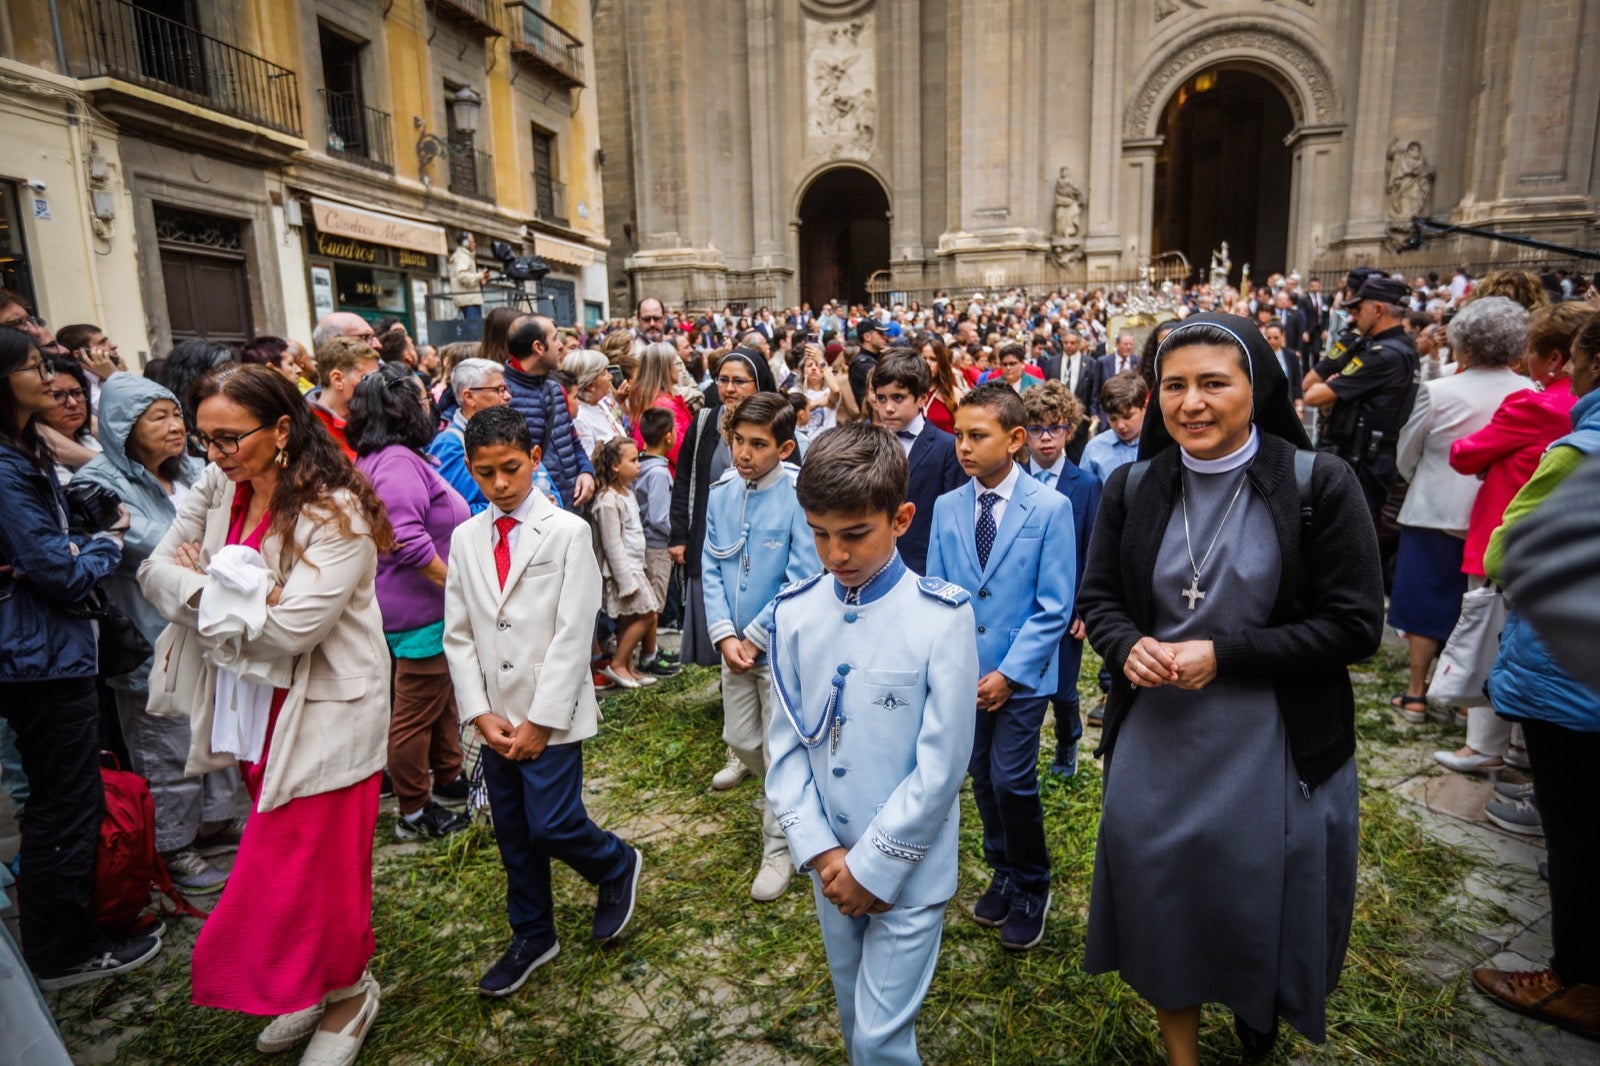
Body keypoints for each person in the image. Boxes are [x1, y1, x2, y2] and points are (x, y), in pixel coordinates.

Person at [1079, 312, 1384, 1064]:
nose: (1192, 403)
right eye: (1174, 386)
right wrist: (1128, 648)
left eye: (1214, 382)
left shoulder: (1322, 484)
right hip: (1160, 734)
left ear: (1258, 387)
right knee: (1160, 893)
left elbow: (1355, 628)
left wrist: (1229, 655)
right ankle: (1181, 1054)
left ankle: (1258, 1028)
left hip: (1276, 738)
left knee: (1257, 899)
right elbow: (1101, 601)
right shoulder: (1132, 486)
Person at [138, 364, 392, 1061]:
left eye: (228, 439)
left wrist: (204, 579)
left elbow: (292, 631)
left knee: (311, 862)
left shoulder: (334, 511)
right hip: (249, 704)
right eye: (205, 439)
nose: (213, 455)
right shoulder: (220, 483)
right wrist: (231, 591)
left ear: (282, 429)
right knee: (292, 856)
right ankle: (319, 982)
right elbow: (152, 573)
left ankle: (347, 994)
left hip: (326, 705)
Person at [766, 423, 978, 1065]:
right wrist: (822, 851)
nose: (835, 554)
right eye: (819, 533)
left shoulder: (942, 617)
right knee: (851, 1010)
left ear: (902, 517)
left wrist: (873, 866)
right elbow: (786, 753)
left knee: (883, 1039)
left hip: (907, 870)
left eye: (855, 534)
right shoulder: (795, 614)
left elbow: (941, 767)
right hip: (830, 864)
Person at [442, 406, 641, 997]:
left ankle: (613, 863)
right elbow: (459, 633)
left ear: (534, 458)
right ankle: (533, 932)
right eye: (484, 474)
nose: (500, 485)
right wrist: (478, 712)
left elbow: (574, 632)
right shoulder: (465, 537)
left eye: (510, 469)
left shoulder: (567, 531)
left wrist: (541, 721)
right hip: (494, 716)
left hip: (548, 712)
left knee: (551, 823)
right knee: (513, 830)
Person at [0, 325, 162, 990]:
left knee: (67, 796)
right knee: (61, 802)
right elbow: (57, 572)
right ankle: (64, 950)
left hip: (53, 648)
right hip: (37, 656)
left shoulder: (26, 451)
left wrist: (75, 532)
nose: (49, 380)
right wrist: (103, 538)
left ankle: (74, 931)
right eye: (34, 368)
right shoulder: (7, 468)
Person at [1472, 309, 1600, 1038]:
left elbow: (1508, 556)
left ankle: (1576, 977)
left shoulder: (1580, 450)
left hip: (1574, 673)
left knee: (1577, 830)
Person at [72, 373, 237, 892]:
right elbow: (148, 545)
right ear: (124, 426)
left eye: (174, 415)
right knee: (165, 748)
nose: (174, 427)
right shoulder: (95, 483)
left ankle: (214, 823)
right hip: (150, 640)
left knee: (212, 735)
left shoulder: (188, 470)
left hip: (208, 629)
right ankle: (172, 846)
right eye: (158, 417)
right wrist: (200, 548)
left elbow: (223, 527)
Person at [925, 382, 1074, 952]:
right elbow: (938, 591)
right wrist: (953, 666)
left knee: (1013, 779)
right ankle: (1002, 867)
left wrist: (1010, 674)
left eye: (977, 436)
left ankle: (1034, 882)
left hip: (1021, 675)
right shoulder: (946, 506)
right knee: (980, 777)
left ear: (1014, 440)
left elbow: (1054, 605)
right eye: (959, 435)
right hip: (965, 673)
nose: (963, 446)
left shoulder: (1051, 508)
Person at [1439, 302, 1588, 773]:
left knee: (1494, 638)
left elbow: (1465, 453)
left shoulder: (1535, 402)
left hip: (1509, 531)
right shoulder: (1576, 406)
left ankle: (1482, 745)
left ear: (1556, 358)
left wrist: (1490, 460)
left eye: (1533, 353)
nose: (1526, 362)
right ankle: (1524, 747)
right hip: (1567, 547)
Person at [1386, 297, 1531, 725]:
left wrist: (1425, 479)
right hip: (1500, 515)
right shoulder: (1528, 392)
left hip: (1434, 509)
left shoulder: (1438, 390)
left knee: (1424, 603)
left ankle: (1416, 695)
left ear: (1464, 343)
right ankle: (1469, 699)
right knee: (1481, 608)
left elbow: (1405, 454)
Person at [702, 392, 821, 901]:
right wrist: (725, 633)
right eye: (738, 441)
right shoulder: (722, 493)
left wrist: (754, 636)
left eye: (758, 444)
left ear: (785, 447)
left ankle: (779, 846)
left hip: (779, 651)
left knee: (777, 747)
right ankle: (789, 793)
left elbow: (802, 576)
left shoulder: (798, 496)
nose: (744, 453)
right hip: (735, 650)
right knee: (742, 738)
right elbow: (711, 567)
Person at [348, 364, 473, 840]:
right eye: (424, 399)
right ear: (404, 410)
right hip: (421, 611)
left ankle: (449, 775)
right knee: (414, 715)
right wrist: (463, 588)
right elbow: (407, 540)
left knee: (440, 704)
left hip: (416, 608)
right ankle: (415, 812)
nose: (431, 405)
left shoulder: (385, 457)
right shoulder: (397, 462)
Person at [670, 348, 774, 683]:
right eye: (723, 380)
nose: (728, 388)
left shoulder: (775, 423)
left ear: (757, 385)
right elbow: (685, 477)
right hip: (712, 533)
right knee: (717, 601)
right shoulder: (704, 421)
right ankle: (728, 676)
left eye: (739, 381)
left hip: (760, 537)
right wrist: (679, 534)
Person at [1021, 380, 1100, 778]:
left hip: (1066, 606)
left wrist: (1084, 607)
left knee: (1064, 691)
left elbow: (1091, 550)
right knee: (1024, 684)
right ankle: (1023, 748)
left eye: (1055, 427)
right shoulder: (1013, 478)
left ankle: (1069, 740)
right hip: (1021, 602)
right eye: (1036, 428)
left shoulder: (1085, 486)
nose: (1046, 438)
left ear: (1069, 429)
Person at [1304, 275, 1421, 525]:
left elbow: (1313, 394)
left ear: (1377, 309)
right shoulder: (1404, 347)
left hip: (1365, 461)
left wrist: (1332, 380)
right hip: (1374, 457)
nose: (1354, 317)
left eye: (1360, 309)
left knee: (1348, 532)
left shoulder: (1382, 355)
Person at [868, 348, 963, 576]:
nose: (888, 407)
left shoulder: (947, 447)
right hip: (874, 563)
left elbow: (954, 519)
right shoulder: (869, 443)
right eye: (881, 398)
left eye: (898, 398)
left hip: (925, 565)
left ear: (921, 399)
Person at [590, 436, 662, 689]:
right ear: (615, 467)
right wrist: (625, 581)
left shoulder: (626, 492)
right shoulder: (607, 501)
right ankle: (618, 664)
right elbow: (612, 545)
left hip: (635, 567)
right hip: (623, 573)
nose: (638, 465)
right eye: (632, 460)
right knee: (648, 615)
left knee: (631, 619)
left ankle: (628, 667)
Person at [502, 315, 595, 509]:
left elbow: (572, 440)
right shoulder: (503, 396)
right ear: (539, 347)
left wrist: (586, 470)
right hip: (536, 513)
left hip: (571, 508)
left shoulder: (555, 390)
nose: (560, 345)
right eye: (555, 339)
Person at [431, 356, 510, 514]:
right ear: (469, 397)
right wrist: (512, 508)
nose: (507, 396)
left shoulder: (508, 433)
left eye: (506, 389)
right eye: (498, 390)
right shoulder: (450, 444)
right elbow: (451, 511)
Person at [634, 407, 680, 678]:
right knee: (653, 604)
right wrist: (677, 535)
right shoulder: (659, 474)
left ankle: (650, 651)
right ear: (668, 436)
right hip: (657, 545)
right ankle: (647, 656)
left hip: (645, 541)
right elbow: (659, 516)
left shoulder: (641, 464)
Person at [307, 335, 380, 460]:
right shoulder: (305, 427)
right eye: (367, 378)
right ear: (338, 379)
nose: (376, 386)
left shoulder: (373, 418)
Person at [627, 342, 693, 473]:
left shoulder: (645, 397)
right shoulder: (663, 405)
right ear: (664, 368)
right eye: (677, 364)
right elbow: (678, 450)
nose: (680, 369)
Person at [38, 355, 102, 482]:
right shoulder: (36, 454)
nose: (72, 403)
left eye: (77, 393)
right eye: (58, 396)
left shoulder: (92, 436)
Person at [1080, 372, 1148, 485]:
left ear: (1144, 408)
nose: (1120, 426)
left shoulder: (1160, 446)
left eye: (1127, 417)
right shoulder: (1094, 448)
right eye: (1113, 419)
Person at [564, 348, 626, 458]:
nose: (610, 376)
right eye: (604, 373)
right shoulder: (580, 418)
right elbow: (590, 462)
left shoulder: (603, 402)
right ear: (590, 385)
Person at [918, 332, 969, 434]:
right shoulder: (910, 392)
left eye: (933, 359)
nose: (928, 363)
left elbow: (965, 429)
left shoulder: (954, 394)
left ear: (941, 363)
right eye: (924, 358)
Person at [449, 232, 490, 321]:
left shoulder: (463, 256)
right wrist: (480, 275)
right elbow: (462, 276)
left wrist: (480, 281)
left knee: (474, 329)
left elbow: (466, 278)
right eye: (472, 242)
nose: (474, 244)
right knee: (475, 331)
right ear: (465, 243)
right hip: (469, 301)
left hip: (468, 300)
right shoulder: (463, 257)